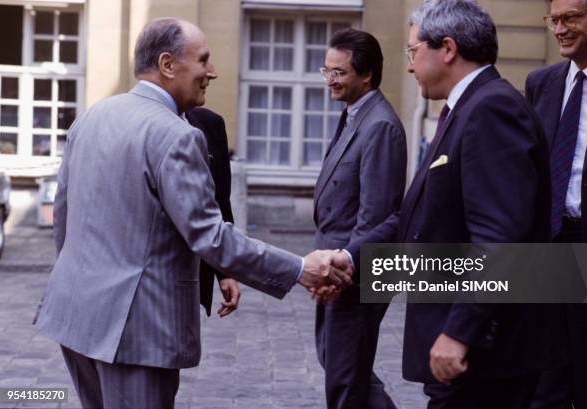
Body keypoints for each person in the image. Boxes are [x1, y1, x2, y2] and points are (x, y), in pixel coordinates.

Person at [34, 18, 351, 409]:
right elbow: (210, 236)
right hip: (136, 332)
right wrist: (300, 268)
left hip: (76, 316)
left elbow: (63, 219)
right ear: (168, 65)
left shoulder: (90, 118)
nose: (212, 72)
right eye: (203, 60)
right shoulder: (176, 135)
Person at [327, 0, 554, 407]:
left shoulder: (491, 110)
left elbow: (499, 241)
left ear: (447, 49)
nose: (410, 66)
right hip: (467, 354)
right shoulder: (465, 109)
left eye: (414, 52)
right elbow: (419, 215)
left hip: (484, 356)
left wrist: (460, 332)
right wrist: (351, 256)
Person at [313, 28, 406, 409]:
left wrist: (343, 273)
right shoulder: (355, 115)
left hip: (354, 275)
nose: (330, 80)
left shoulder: (380, 125)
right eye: (327, 71)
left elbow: (376, 217)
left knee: (345, 381)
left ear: (366, 75)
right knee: (342, 369)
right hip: (334, 268)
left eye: (339, 72)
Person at [525, 1, 587, 408]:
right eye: (554, 20)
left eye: (570, 18)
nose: (559, 29)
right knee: (545, 387)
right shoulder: (540, 83)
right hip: (548, 247)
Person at [185, 107, 240, 318]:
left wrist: (225, 271)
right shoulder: (135, 121)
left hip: (196, 270)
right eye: (202, 69)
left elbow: (220, 204)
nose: (211, 73)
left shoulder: (210, 122)